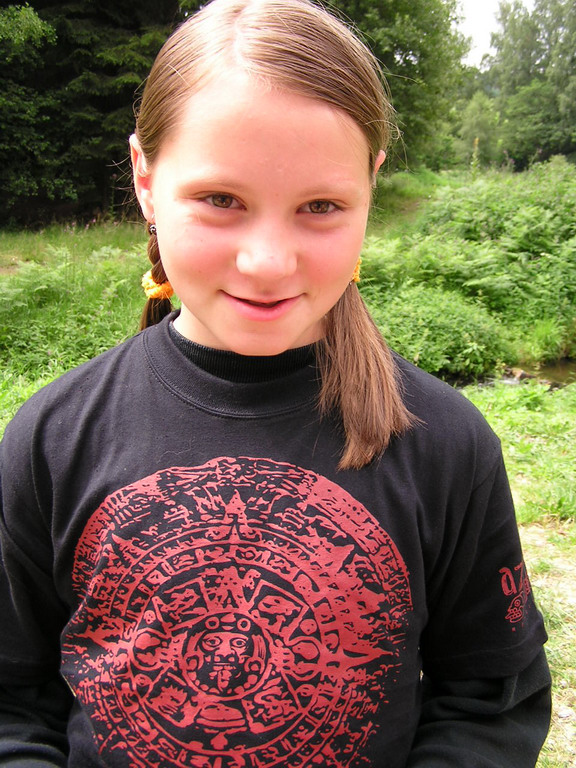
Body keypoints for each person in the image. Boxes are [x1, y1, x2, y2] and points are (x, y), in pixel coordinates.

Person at [0, 0, 551, 765]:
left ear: (371, 186)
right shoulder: (51, 438)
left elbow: (489, 703)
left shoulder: (448, 444)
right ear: (146, 179)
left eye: (320, 206)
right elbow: (13, 702)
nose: (267, 262)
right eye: (220, 200)